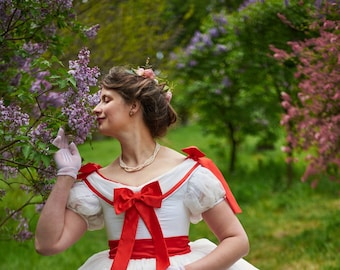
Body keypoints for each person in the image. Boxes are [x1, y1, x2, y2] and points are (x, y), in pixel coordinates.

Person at [35, 65, 258, 270]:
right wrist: (66, 175)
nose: (96, 109)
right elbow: (47, 244)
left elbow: (237, 240)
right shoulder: (96, 184)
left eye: (105, 99)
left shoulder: (188, 172)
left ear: (133, 105)